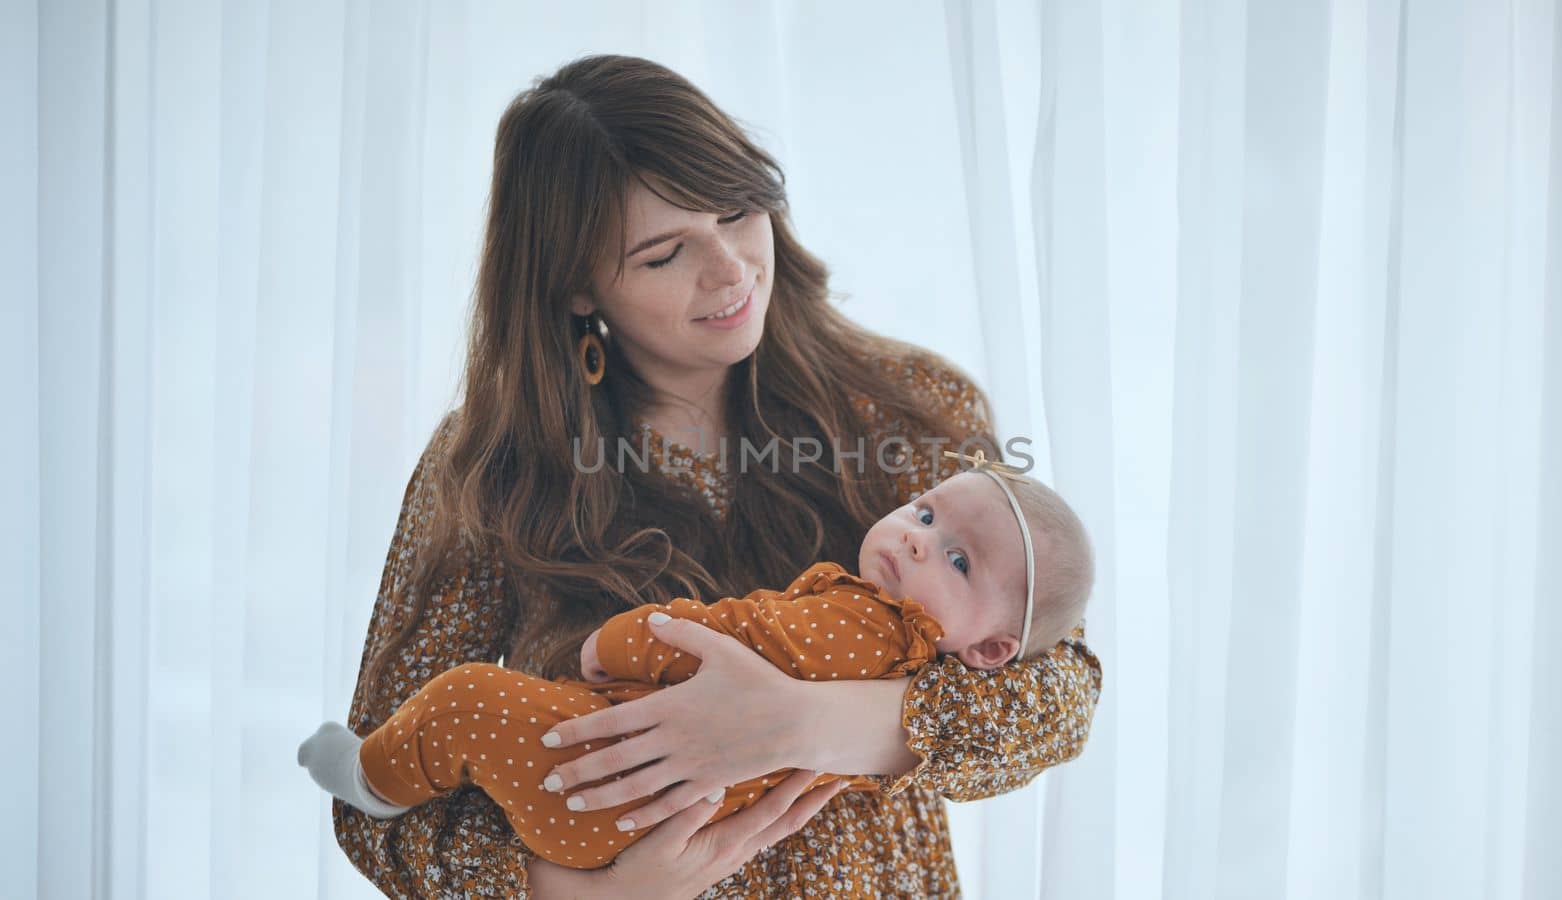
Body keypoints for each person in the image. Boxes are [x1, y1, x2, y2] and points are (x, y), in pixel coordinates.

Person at [332, 53, 1102, 898]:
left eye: (738, 213)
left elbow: (1056, 694)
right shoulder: (490, 470)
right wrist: (583, 896)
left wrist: (806, 724)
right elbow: (376, 794)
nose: (731, 269)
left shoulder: (907, 408)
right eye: (665, 254)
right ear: (576, 288)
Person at [303, 460, 1094, 869]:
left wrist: (625, 641)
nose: (920, 537)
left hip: (611, 797)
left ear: (991, 651)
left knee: (466, 703)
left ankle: (374, 776)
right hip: (621, 825)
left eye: (956, 559)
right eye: (924, 513)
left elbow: (735, 637)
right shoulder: (494, 458)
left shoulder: (866, 625)